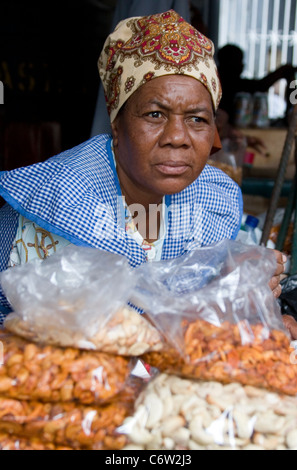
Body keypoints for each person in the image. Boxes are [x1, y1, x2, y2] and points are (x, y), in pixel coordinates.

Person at [0, 10, 289, 334]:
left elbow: (201, 300)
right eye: (154, 114)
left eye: (197, 119)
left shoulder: (210, 199)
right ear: (117, 125)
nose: (177, 137)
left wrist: (243, 294)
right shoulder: (63, 196)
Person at [217, 44, 297, 125]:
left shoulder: (232, 82)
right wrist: (282, 72)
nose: (242, 65)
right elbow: (260, 86)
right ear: (228, 63)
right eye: (238, 61)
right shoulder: (225, 84)